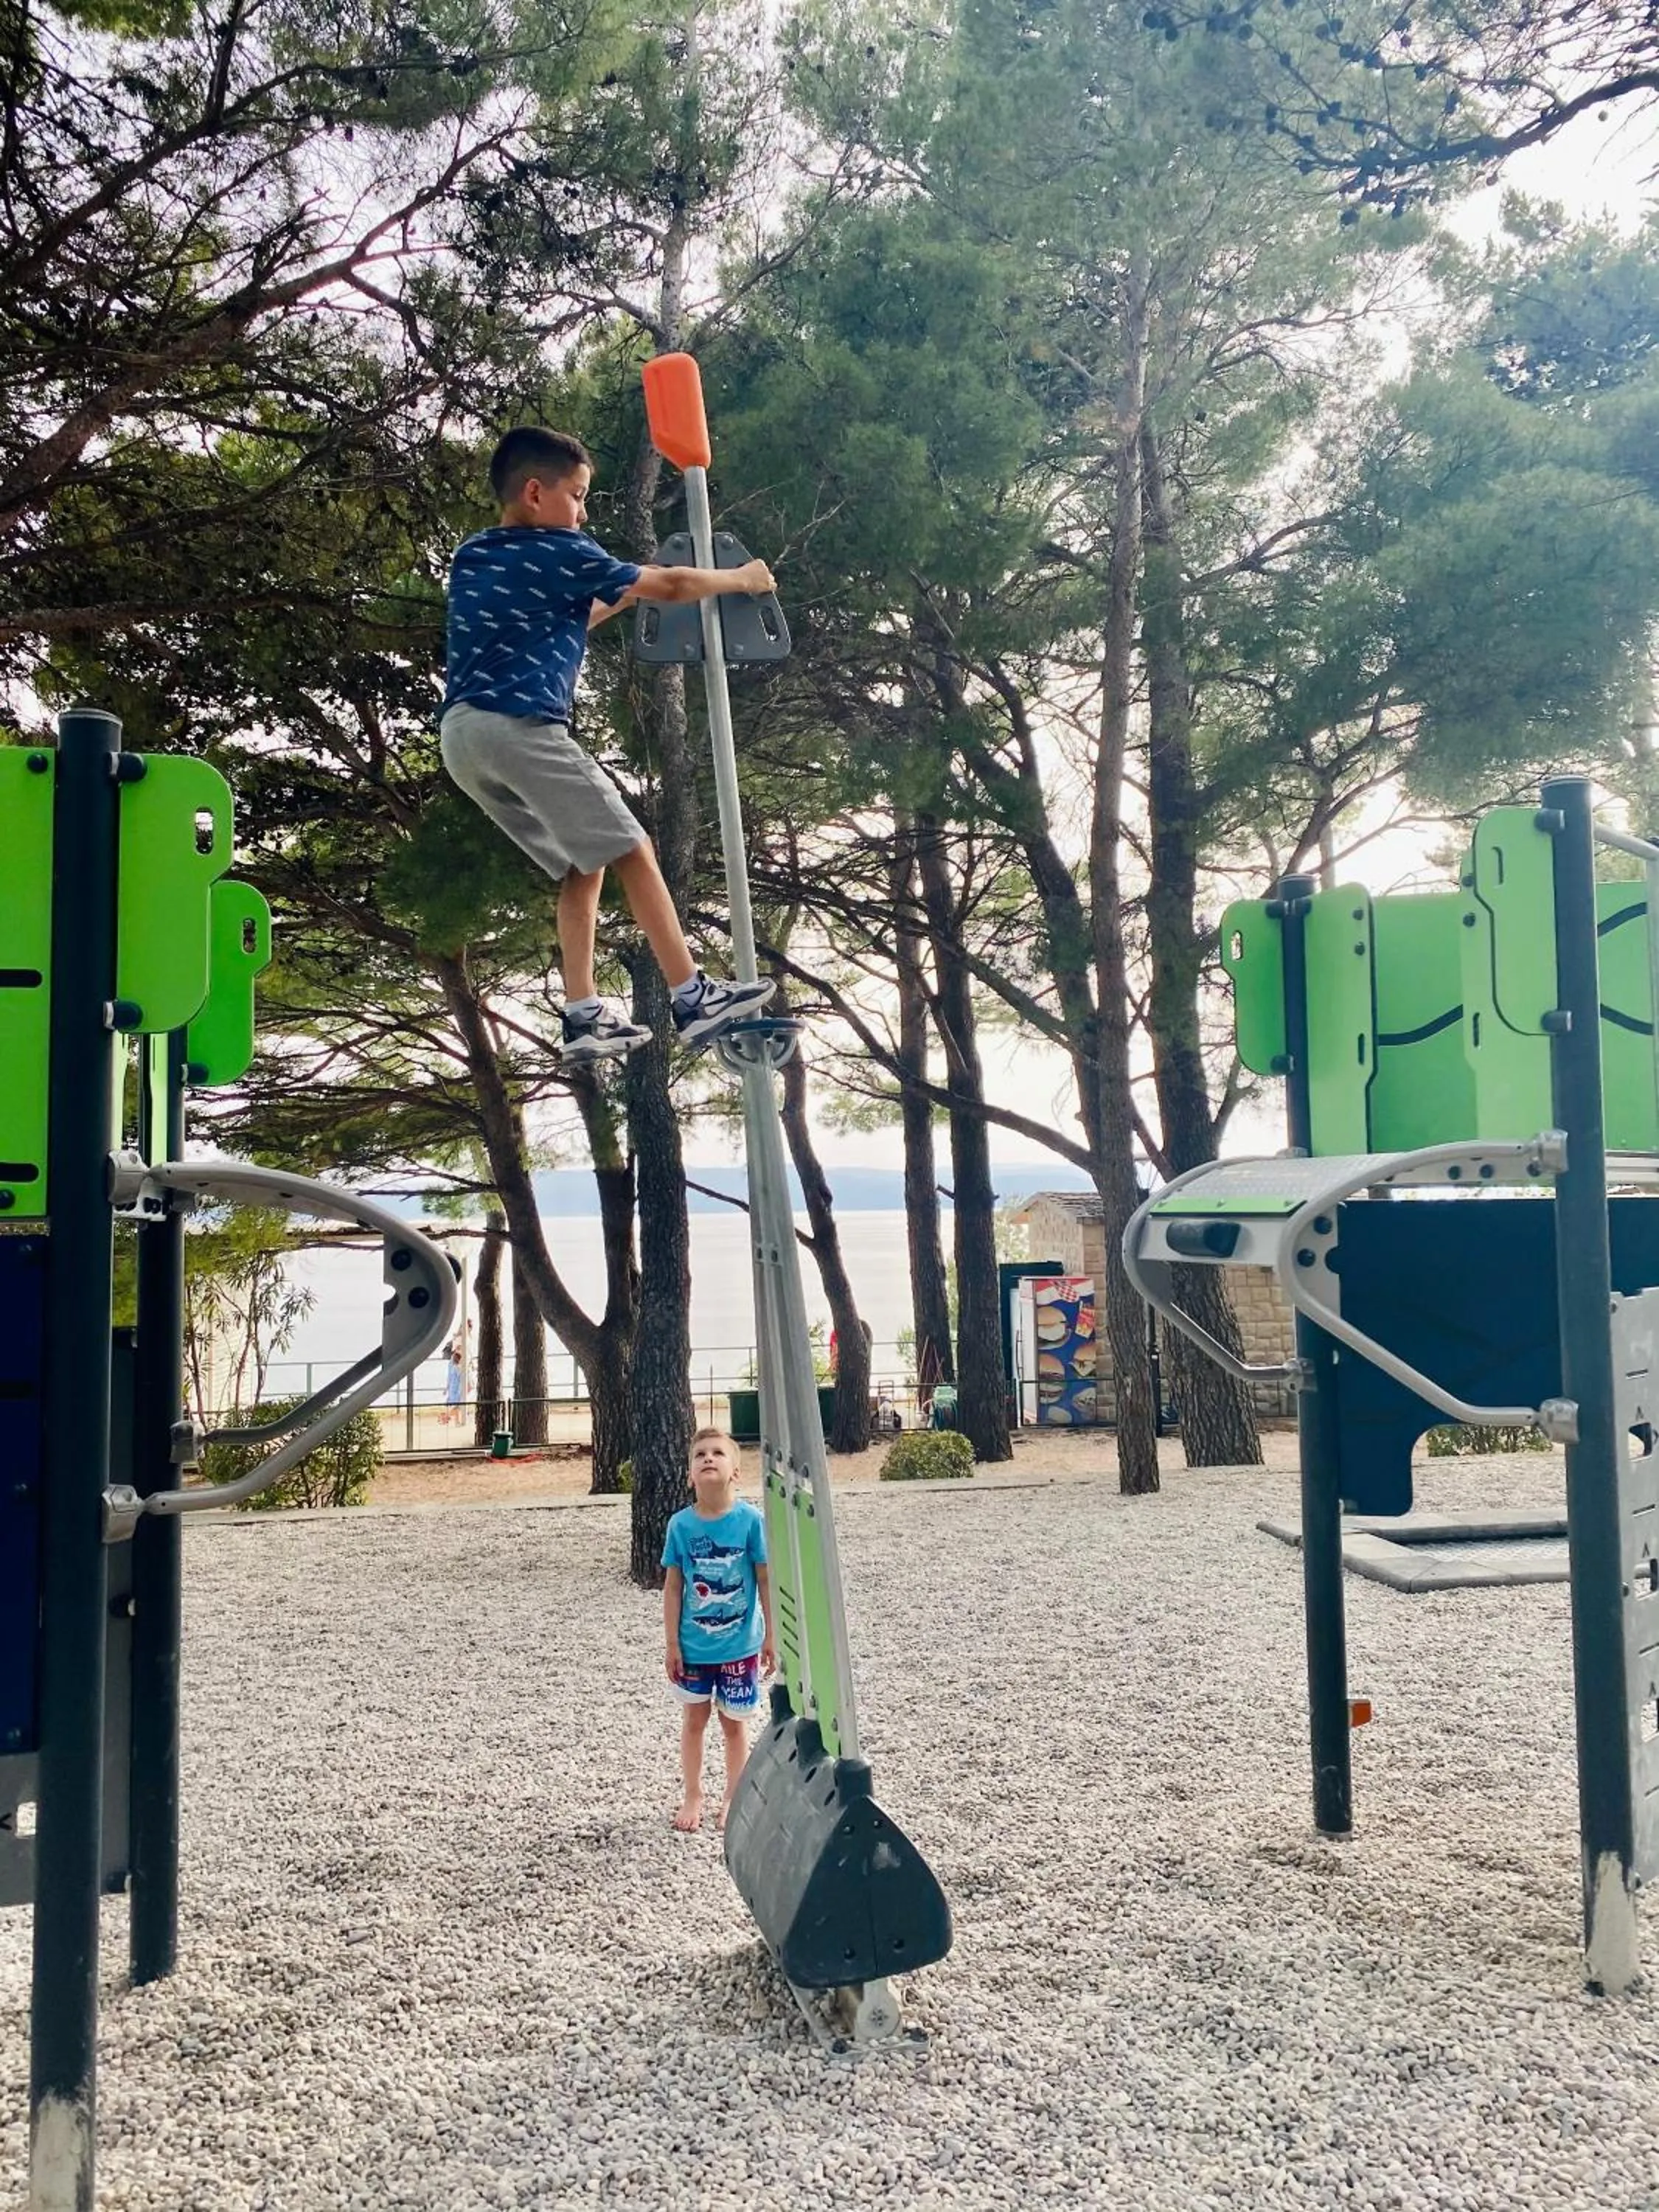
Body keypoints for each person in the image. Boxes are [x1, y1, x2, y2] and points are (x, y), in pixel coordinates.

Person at [441, 425, 779, 1064]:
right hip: (519, 726)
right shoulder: (560, 548)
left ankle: (583, 1015)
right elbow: (671, 586)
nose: (584, 512)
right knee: (632, 846)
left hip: (463, 739)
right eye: (577, 495)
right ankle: (692, 996)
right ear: (535, 493)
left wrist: (616, 598)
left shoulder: (476, 554)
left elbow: (559, 616)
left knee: (585, 863)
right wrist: (740, 579)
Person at [661, 1427, 775, 1834]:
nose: (708, 1458)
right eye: (700, 1455)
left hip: (740, 1647)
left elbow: (765, 1579)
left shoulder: (751, 1522)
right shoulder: (680, 1526)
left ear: (736, 1472)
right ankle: (693, 1793)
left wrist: (772, 1634)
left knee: (734, 1725)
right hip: (694, 1649)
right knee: (694, 1721)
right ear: (690, 1475)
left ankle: (733, 1796)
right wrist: (672, 1643)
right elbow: (673, 1587)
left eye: (718, 1453)